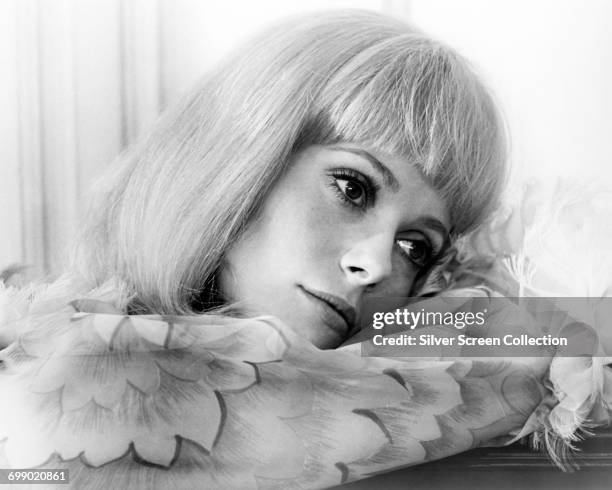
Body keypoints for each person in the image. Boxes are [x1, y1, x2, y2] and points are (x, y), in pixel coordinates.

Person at [0, 9, 608, 489]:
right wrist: (558, 332)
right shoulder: (60, 372)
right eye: (352, 187)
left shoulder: (373, 365)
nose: (373, 266)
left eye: (415, 247)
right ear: (245, 155)